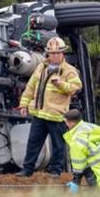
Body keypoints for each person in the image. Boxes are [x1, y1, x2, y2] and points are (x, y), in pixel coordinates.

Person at [16, 37, 83, 177]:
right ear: (48, 54)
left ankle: (55, 171)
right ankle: (27, 169)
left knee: (58, 145)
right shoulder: (41, 67)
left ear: (63, 53)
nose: (55, 56)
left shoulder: (68, 70)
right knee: (33, 142)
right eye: (52, 53)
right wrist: (24, 104)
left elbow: (76, 87)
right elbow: (30, 87)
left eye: (58, 53)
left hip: (57, 115)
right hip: (39, 113)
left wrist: (61, 84)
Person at [63, 109, 100, 192]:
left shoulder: (77, 139)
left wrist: (76, 181)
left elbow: (79, 164)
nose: (66, 124)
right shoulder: (91, 127)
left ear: (70, 123)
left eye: (66, 122)